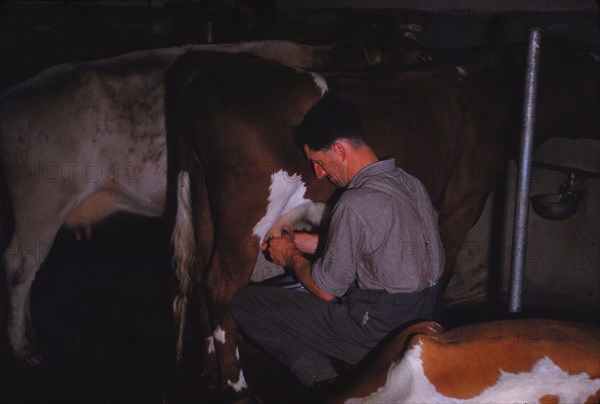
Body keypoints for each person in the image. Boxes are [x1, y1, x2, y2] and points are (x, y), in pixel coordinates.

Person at [231, 94, 444, 388]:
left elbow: (325, 290)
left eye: (318, 161)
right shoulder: (410, 183)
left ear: (340, 150)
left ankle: (328, 387)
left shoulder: (355, 202)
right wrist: (303, 241)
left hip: (377, 331)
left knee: (247, 304)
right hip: (422, 318)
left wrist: (291, 255)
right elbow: (374, 246)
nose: (319, 173)